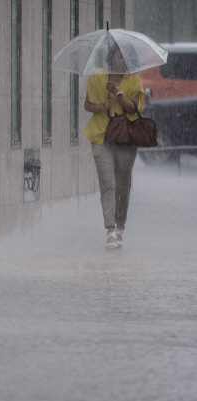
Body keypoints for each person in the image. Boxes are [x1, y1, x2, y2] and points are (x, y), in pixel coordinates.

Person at [83, 44, 145, 250]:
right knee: (107, 183)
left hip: (125, 137)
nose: (122, 61)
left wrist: (117, 93)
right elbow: (87, 105)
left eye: (126, 57)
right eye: (119, 56)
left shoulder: (133, 79)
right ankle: (110, 231)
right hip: (101, 136)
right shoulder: (98, 77)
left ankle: (120, 226)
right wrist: (102, 106)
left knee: (123, 184)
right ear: (112, 58)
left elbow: (134, 108)